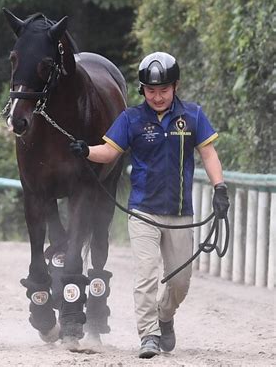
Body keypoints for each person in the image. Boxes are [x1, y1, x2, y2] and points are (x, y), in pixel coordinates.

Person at [70, 52, 229, 358]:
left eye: (164, 90)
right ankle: (149, 335)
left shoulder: (193, 115)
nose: (158, 96)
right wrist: (85, 150)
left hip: (181, 212)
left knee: (180, 281)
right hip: (142, 211)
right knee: (146, 273)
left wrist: (219, 187)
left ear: (175, 86)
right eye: (151, 90)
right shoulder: (131, 119)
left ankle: (164, 316)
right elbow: (108, 152)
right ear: (142, 89)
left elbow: (208, 153)